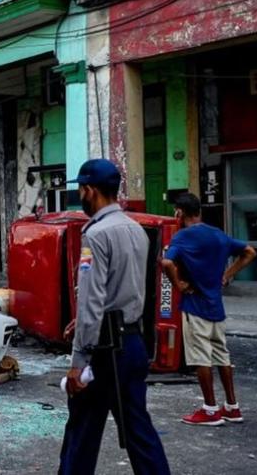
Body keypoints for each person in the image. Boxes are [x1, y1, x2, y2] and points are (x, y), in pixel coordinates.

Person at [58, 159, 170, 475]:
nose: (81, 196)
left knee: (82, 429)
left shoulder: (95, 234)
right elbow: (126, 291)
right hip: (132, 343)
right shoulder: (136, 230)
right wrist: (83, 322)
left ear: (90, 191)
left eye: (81, 190)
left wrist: (79, 363)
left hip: (104, 351)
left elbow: (93, 301)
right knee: (138, 431)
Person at [161, 192, 257, 426]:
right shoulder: (218, 235)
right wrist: (227, 274)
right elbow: (250, 252)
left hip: (195, 307)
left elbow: (166, 262)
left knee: (200, 358)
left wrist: (179, 285)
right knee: (222, 356)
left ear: (179, 212)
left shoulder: (183, 237)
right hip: (216, 307)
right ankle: (232, 407)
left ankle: (210, 409)